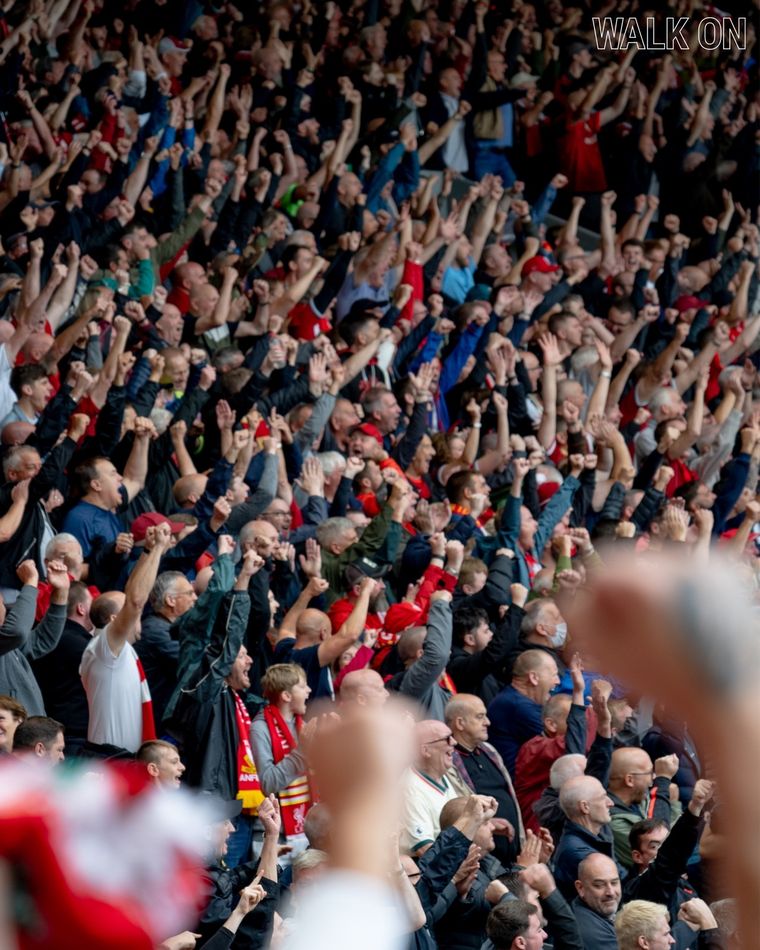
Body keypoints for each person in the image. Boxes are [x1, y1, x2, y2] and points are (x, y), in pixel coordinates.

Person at [445, 694, 523, 867]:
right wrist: (484, 821)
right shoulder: (449, 761)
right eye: (480, 716)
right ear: (460, 723)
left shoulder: (489, 751)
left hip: (512, 853)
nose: (487, 722)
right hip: (482, 861)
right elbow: (455, 809)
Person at [251, 663, 313, 850]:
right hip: (275, 836)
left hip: (306, 829)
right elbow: (267, 783)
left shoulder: (304, 725)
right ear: (286, 696)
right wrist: (303, 752)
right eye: (302, 686)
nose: (309, 691)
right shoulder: (259, 728)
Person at [487, 650, 561, 775]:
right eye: (554, 675)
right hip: (519, 787)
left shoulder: (513, 698)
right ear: (533, 678)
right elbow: (563, 744)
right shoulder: (518, 707)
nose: (557, 681)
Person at [553, 775, 622, 900]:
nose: (610, 803)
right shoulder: (578, 853)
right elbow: (626, 890)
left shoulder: (597, 836)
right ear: (585, 807)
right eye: (603, 798)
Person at [400, 719, 460, 856]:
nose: (454, 742)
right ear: (425, 750)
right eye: (447, 739)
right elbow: (425, 849)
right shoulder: (410, 789)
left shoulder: (441, 775)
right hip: (432, 872)